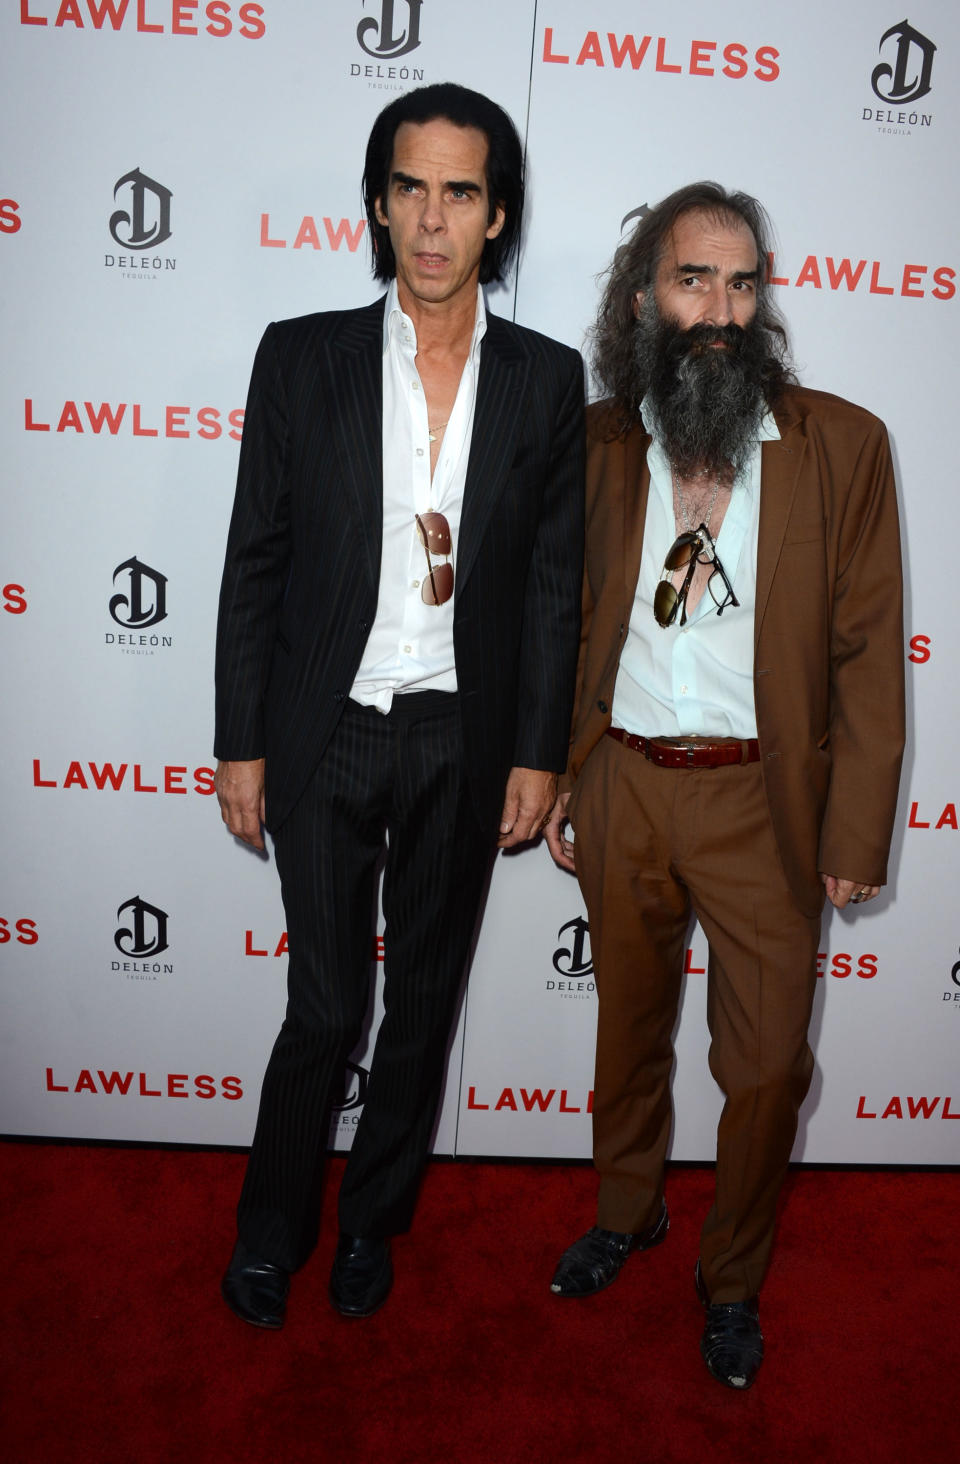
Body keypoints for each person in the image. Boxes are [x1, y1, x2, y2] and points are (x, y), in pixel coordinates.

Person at [214, 83, 584, 1329]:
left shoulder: (544, 379)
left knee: (421, 1002)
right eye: (411, 188)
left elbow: (549, 584)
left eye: (461, 192)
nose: (433, 220)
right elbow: (253, 561)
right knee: (323, 1007)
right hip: (325, 731)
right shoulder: (298, 354)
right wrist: (240, 742)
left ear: (496, 216)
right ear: (379, 205)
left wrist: (538, 752)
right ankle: (273, 1230)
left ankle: (371, 1221)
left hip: (459, 737)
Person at [544, 182, 904, 1390]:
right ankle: (628, 1208)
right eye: (695, 280)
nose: (722, 309)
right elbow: (558, 625)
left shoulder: (843, 445)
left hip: (767, 806)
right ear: (644, 295)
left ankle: (733, 1277)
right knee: (627, 1031)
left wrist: (856, 828)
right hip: (627, 787)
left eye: (743, 283)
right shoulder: (594, 446)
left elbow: (868, 651)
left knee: (763, 1069)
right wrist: (559, 775)